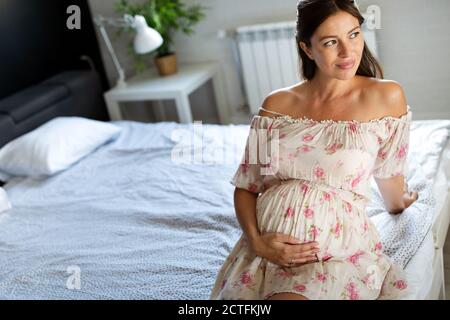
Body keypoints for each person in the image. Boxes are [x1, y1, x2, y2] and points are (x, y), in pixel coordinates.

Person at [210, 0, 418, 300]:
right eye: (331, 42)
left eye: (354, 34)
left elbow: (389, 176)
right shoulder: (276, 105)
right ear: (307, 49)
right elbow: (246, 185)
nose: (348, 52)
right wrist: (256, 242)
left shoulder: (387, 96)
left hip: (331, 251)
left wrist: (401, 200)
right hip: (264, 251)